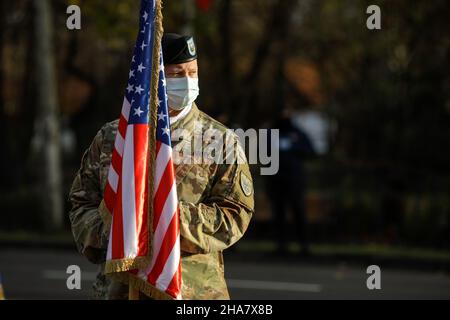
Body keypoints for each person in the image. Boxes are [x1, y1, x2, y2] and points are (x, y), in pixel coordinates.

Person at [68, 33, 254, 300]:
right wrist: (118, 229)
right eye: (178, 73)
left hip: (193, 291)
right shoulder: (113, 138)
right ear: (155, 78)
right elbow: (81, 202)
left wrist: (167, 219)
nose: (188, 81)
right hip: (121, 288)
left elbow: (235, 213)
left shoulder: (220, 140)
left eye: (193, 72)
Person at [267, 110, 315, 256]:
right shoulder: (270, 133)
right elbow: (261, 152)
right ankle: (281, 246)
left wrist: (295, 149)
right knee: (279, 214)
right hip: (276, 180)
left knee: (298, 213)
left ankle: (304, 245)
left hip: (294, 180)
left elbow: (310, 151)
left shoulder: (298, 134)